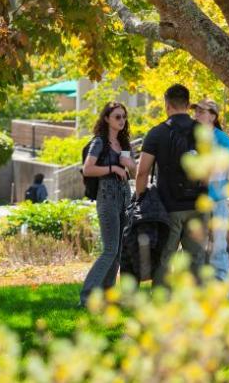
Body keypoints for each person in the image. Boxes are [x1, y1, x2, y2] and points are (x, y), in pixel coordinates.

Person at [136, 84, 208, 285]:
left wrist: (140, 199)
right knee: (196, 260)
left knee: (164, 260)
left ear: (167, 105)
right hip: (198, 206)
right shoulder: (203, 132)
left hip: (168, 207)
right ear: (187, 104)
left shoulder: (157, 133)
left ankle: (161, 304)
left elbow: (142, 172)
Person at [79, 102, 136, 307]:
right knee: (110, 249)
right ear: (107, 119)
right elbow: (88, 169)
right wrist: (113, 168)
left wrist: (130, 166)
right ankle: (86, 297)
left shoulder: (125, 144)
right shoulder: (99, 143)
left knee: (119, 250)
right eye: (117, 117)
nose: (122, 120)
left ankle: (107, 297)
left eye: (124, 117)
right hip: (107, 196)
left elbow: (135, 173)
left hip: (124, 196)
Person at [191, 98, 229, 281]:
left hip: (216, 202)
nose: (196, 115)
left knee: (218, 249)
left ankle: (223, 292)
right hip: (194, 202)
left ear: (212, 116)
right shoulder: (192, 137)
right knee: (196, 250)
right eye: (196, 111)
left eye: (201, 112)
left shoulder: (223, 141)